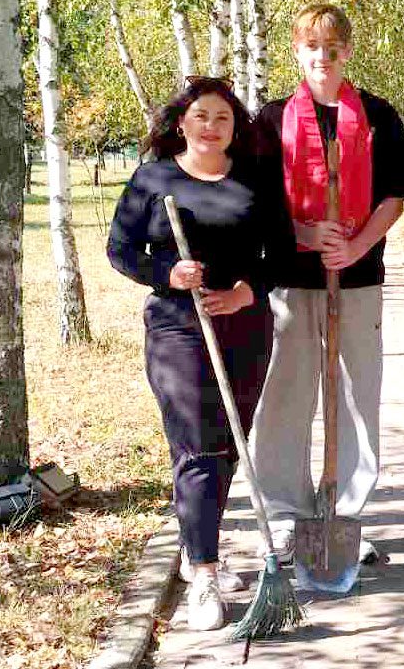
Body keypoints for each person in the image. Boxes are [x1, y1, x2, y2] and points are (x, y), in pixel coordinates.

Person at [107, 76, 294, 631]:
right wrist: (167, 272)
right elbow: (120, 249)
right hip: (177, 328)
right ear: (182, 123)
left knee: (229, 441)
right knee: (198, 444)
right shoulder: (154, 179)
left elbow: (283, 254)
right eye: (201, 116)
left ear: (236, 128)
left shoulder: (255, 180)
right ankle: (206, 573)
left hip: (246, 326)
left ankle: (197, 548)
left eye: (222, 118)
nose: (211, 127)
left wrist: (244, 293)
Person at [250, 3, 404, 563]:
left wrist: (356, 245)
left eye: (333, 47)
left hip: (359, 278)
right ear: (297, 51)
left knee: (355, 395)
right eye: (312, 46)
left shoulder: (378, 115)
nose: (323, 56)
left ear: (347, 51)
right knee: (286, 395)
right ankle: (287, 513)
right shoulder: (272, 119)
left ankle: (346, 513)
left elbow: (395, 195)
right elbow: (257, 200)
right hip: (291, 280)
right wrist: (301, 231)